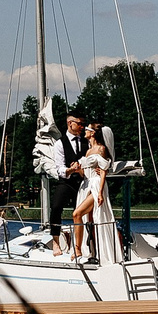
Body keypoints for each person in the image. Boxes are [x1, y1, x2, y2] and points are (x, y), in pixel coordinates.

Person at [40, 109, 87, 254]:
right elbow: (59, 168)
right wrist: (70, 170)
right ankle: (55, 242)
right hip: (66, 181)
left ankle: (82, 245)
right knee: (56, 207)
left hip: (83, 181)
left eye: (83, 124)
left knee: (81, 212)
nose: (82, 127)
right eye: (79, 124)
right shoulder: (60, 144)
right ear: (70, 123)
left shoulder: (87, 142)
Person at [69, 124, 117, 262]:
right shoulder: (89, 151)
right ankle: (86, 249)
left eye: (88, 129)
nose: (85, 130)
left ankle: (77, 249)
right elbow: (86, 173)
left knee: (77, 214)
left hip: (96, 186)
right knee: (86, 218)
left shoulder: (101, 149)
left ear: (94, 133)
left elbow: (103, 173)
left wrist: (100, 193)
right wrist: (78, 170)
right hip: (86, 184)